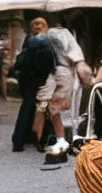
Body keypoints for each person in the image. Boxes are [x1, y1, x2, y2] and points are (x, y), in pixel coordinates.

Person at [38, 18, 93, 162]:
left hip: (57, 75)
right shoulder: (61, 34)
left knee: (57, 111)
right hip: (59, 74)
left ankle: (63, 141)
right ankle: (62, 140)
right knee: (58, 111)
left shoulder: (54, 34)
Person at [11, 19, 56, 152]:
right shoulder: (41, 40)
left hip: (26, 77)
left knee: (30, 106)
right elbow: (46, 62)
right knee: (34, 106)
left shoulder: (29, 40)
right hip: (35, 77)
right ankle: (21, 140)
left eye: (41, 24)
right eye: (36, 24)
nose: (38, 26)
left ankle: (26, 137)